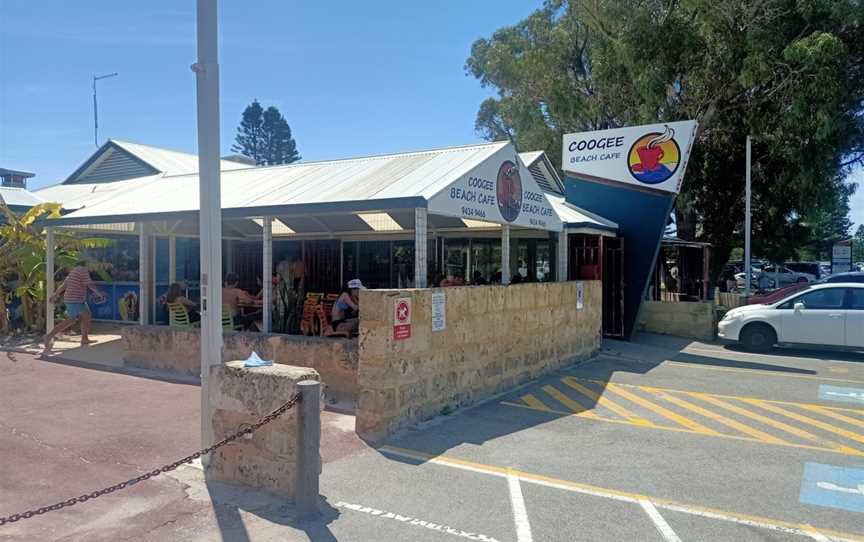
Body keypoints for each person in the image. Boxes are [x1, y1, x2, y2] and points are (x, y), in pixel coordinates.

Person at [44, 261, 105, 353]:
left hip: (76, 299)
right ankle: (49, 336)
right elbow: (90, 284)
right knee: (71, 320)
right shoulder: (83, 270)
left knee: (87, 316)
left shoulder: (73, 271)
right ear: (87, 264)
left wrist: (55, 294)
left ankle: (84, 338)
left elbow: (64, 285)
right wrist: (99, 293)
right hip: (75, 299)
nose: (93, 269)